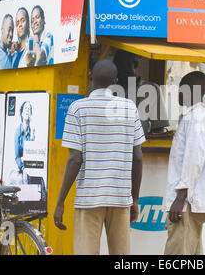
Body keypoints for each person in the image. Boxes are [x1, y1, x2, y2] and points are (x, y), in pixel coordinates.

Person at [54, 59, 145, 255]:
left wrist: (61, 202)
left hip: (89, 198)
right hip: (120, 197)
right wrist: (135, 199)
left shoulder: (78, 109)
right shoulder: (129, 108)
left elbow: (75, 159)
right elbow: (138, 157)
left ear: (90, 77)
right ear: (115, 80)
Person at [163, 71, 205, 255]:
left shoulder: (196, 118)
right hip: (190, 200)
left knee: (177, 253)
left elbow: (193, 160)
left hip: (188, 201)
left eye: (182, 88)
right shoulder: (196, 116)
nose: (179, 92)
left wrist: (180, 199)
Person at [112, 49, 169, 136]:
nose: (120, 71)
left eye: (125, 67)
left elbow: (159, 128)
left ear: (135, 65)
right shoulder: (110, 91)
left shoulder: (152, 90)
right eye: (118, 67)